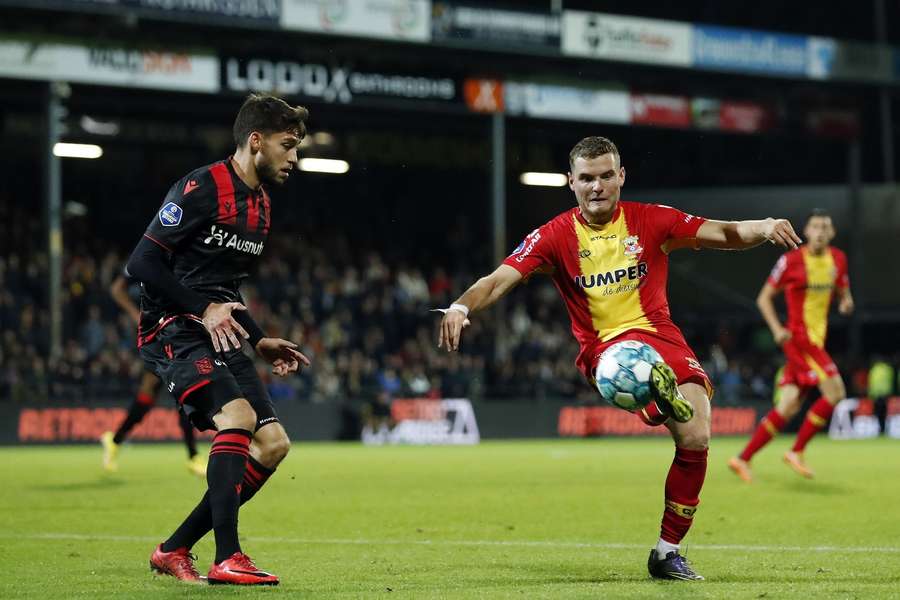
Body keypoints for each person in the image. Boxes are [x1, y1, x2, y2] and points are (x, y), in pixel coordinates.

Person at [436, 136, 801, 581]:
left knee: (697, 435)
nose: (597, 187)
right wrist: (460, 307)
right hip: (605, 349)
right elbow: (497, 280)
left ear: (621, 176)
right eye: (586, 178)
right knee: (621, 370)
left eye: (606, 176)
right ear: (571, 182)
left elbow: (722, 231)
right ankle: (653, 398)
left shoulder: (652, 220)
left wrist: (762, 226)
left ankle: (666, 553)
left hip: (660, 336)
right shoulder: (553, 236)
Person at [125, 93, 311, 586]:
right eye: (287, 145)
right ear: (256, 142)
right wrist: (201, 308)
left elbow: (223, 289)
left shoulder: (262, 207)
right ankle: (227, 556)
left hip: (219, 329)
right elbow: (142, 263)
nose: (294, 158)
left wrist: (259, 339)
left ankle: (174, 549)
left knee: (272, 445)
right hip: (171, 326)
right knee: (240, 418)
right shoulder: (201, 187)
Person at [729, 210, 853, 482]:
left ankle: (741, 458)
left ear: (831, 234)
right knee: (835, 392)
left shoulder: (839, 260)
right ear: (806, 232)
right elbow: (764, 298)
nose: (820, 231)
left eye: (825, 227)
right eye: (815, 227)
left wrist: (845, 301)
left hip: (816, 340)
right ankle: (796, 451)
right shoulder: (791, 260)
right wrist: (777, 330)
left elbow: (843, 289)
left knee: (788, 406)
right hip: (799, 340)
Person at [101, 274, 206, 476]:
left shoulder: (183, 260)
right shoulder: (148, 254)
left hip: (179, 328)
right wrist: (135, 315)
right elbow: (117, 289)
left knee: (152, 391)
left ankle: (114, 441)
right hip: (157, 332)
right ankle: (193, 456)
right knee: (175, 387)